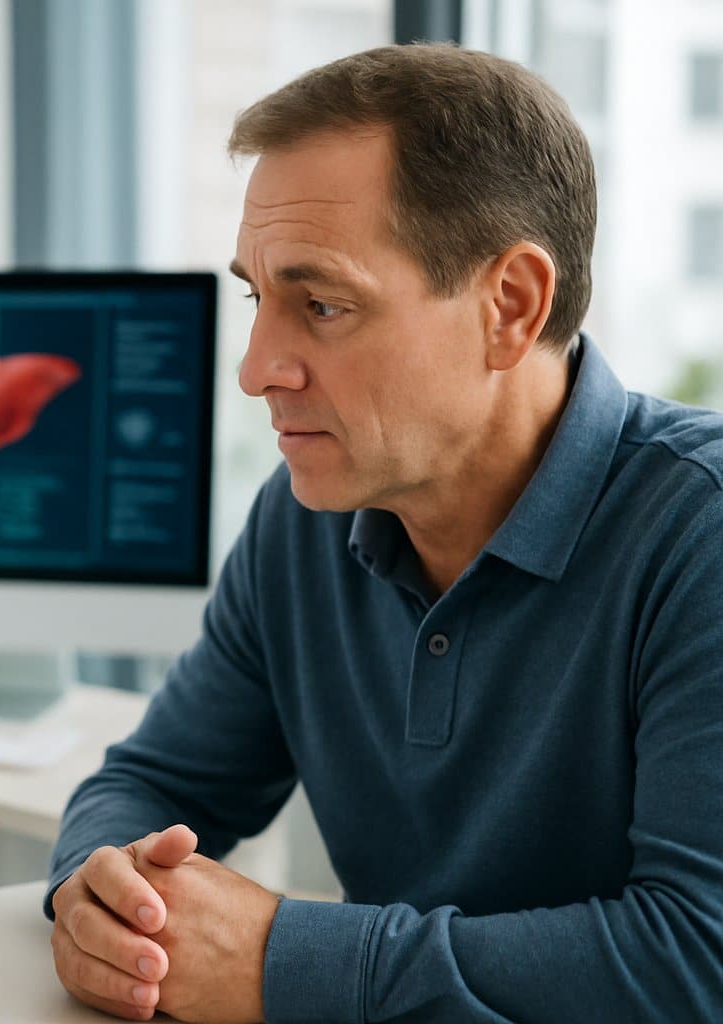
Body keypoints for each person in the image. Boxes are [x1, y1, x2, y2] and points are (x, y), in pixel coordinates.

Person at [47, 43, 723, 1023]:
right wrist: (97, 898)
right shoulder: (306, 513)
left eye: (320, 305)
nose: (256, 368)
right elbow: (153, 778)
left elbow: (697, 959)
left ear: (511, 307)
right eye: (258, 298)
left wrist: (286, 959)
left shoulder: (699, 527)